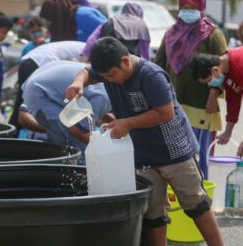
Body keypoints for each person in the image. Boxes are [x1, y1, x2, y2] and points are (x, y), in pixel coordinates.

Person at [66, 37, 223, 246]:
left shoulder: (150, 75)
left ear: (125, 61)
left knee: (196, 204)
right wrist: (78, 82)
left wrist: (128, 123)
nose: (109, 80)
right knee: (153, 212)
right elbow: (86, 71)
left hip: (175, 151)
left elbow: (165, 113)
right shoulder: (108, 69)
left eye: (112, 75)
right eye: (104, 77)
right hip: (142, 155)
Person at [155, 0, 227, 179]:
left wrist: (213, 96)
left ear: (201, 8)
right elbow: (159, 65)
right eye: (184, 6)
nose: (187, 10)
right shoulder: (171, 32)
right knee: (177, 156)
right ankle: (181, 197)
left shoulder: (213, 34)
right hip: (174, 104)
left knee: (200, 155)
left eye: (191, 7)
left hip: (202, 105)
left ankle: (202, 198)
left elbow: (223, 68)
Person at [22, 60, 112, 162]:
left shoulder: (109, 81)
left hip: (41, 78)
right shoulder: (105, 98)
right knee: (78, 151)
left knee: (60, 146)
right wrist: (104, 147)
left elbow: (90, 103)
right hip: (40, 94)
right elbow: (76, 129)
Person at [9, 41, 86, 135]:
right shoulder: (88, 58)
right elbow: (23, 116)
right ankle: (11, 136)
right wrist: (57, 132)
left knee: (20, 103)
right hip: (38, 63)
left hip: (32, 61)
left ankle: (11, 135)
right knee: (24, 106)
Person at [189, 48, 243, 146]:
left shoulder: (239, 66)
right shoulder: (228, 70)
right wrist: (228, 132)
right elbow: (233, 101)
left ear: (215, 71)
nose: (211, 84)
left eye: (209, 81)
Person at [80, 2, 151, 62]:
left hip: (104, 63)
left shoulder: (110, 21)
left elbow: (91, 40)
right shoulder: (141, 25)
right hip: (126, 65)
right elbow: (144, 54)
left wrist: (84, 59)